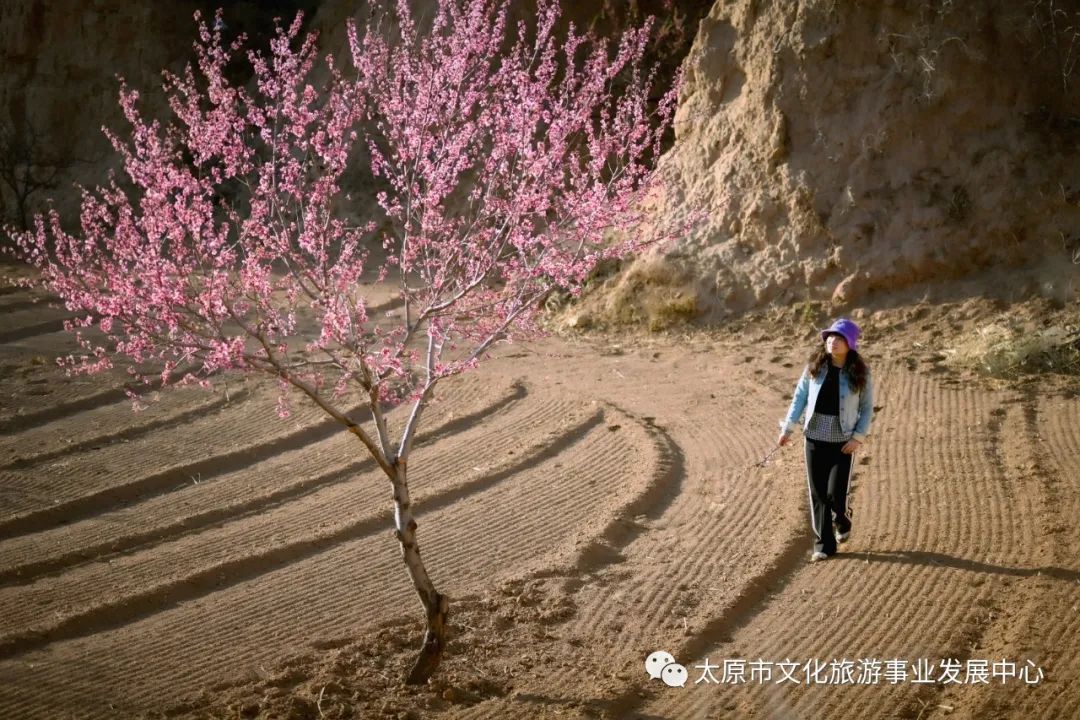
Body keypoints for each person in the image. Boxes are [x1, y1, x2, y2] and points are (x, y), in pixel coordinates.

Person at [777, 318, 873, 562]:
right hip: (815, 438)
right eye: (830, 338)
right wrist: (787, 428)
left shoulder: (859, 373)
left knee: (835, 495)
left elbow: (867, 408)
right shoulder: (815, 366)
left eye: (839, 338)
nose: (832, 342)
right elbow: (799, 398)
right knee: (818, 494)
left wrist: (858, 438)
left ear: (849, 343)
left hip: (843, 442)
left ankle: (842, 518)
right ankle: (824, 545)